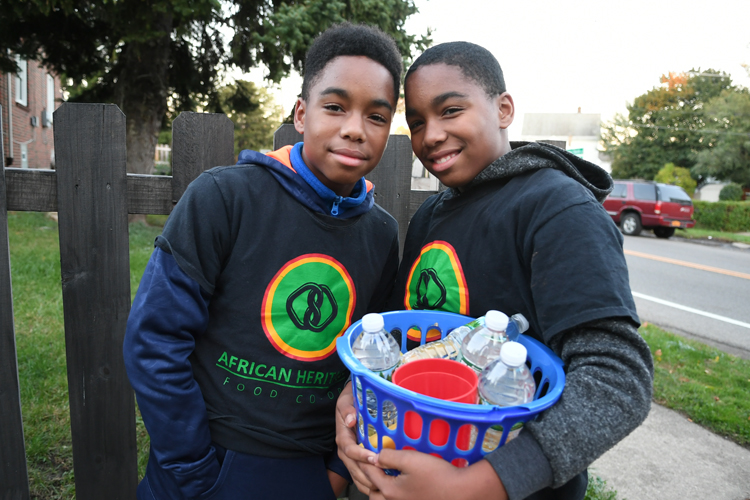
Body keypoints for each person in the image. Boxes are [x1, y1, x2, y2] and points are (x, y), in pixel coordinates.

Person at [335, 41, 654, 500]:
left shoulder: (556, 208)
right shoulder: (431, 214)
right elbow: (395, 336)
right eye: (419, 121)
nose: (431, 136)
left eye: (450, 111)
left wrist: (480, 485)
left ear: (503, 108)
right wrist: (354, 399)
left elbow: (617, 380)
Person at [124, 23, 403, 500]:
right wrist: (194, 470)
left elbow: (370, 366)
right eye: (334, 107)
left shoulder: (381, 234)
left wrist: (333, 471)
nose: (354, 128)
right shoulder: (224, 197)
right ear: (301, 113)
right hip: (208, 463)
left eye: (376, 116)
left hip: (310, 472)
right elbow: (155, 339)